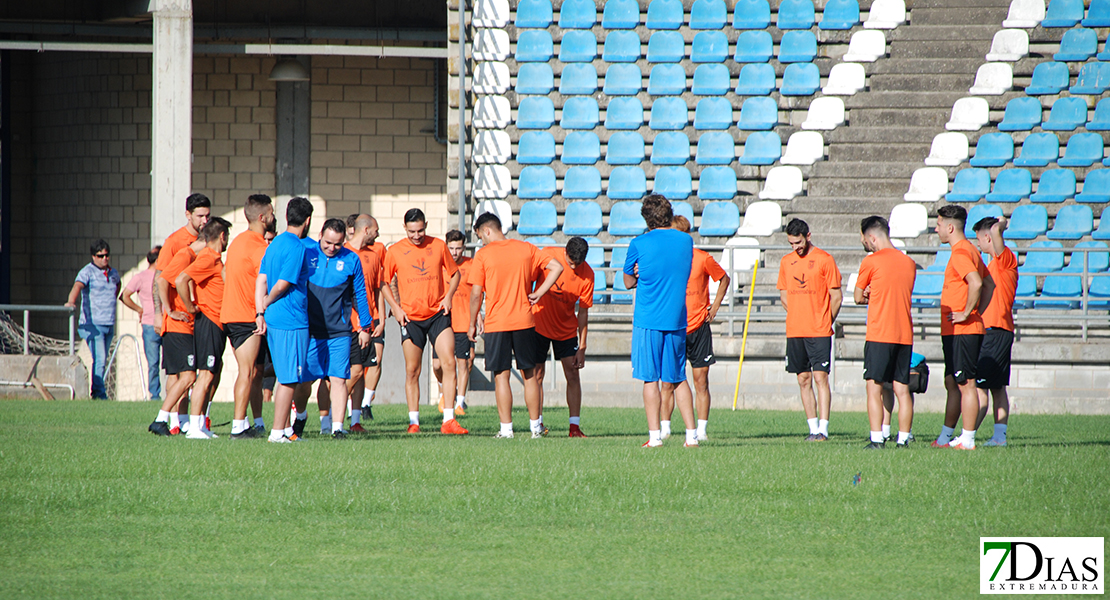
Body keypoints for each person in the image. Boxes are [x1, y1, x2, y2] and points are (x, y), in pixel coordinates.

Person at [468, 212, 562, 439]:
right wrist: (539, 292)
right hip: (524, 321)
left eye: (481, 236)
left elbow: (475, 293)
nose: (481, 241)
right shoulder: (525, 248)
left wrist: (471, 323)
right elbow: (557, 267)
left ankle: (506, 430)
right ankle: (535, 428)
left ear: (487, 231)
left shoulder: (483, 255)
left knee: (501, 376)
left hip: (497, 323)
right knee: (530, 375)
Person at [381, 208, 469, 435]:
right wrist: (396, 308)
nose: (417, 235)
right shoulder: (396, 251)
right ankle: (414, 422)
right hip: (410, 318)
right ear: (404, 228)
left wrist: (448, 297)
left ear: (426, 225)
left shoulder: (439, 246)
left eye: (420, 230)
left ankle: (449, 420)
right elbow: (383, 282)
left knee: (449, 363)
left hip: (438, 315)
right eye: (412, 231)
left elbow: (455, 273)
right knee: (413, 370)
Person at [623, 195, 695, 448]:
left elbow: (628, 281)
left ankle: (655, 438)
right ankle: (692, 436)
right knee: (678, 378)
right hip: (676, 318)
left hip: (648, 318)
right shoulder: (686, 241)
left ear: (647, 218)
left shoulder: (639, 243)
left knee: (650, 379)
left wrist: (642, 274)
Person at [660, 216, 730, 442]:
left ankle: (701, 430)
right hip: (673, 326)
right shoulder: (666, 259)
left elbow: (723, 279)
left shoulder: (702, 258)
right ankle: (665, 428)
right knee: (668, 381)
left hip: (698, 326)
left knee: (701, 380)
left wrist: (715, 307)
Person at [304, 218, 373, 439]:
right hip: (310, 330)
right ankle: (300, 417)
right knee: (304, 379)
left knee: (338, 379)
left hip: (340, 330)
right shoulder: (306, 254)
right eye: (328, 243)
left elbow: (360, 294)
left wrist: (365, 326)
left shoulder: (351, 259)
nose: (332, 248)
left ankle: (337, 428)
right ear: (320, 236)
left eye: (337, 244)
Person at [932, 205, 993, 451]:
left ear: (949, 227)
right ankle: (947, 437)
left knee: (966, 384)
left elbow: (978, 283)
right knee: (953, 382)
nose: (935, 229)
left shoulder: (960, 253)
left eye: (938, 225)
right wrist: (977, 311)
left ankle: (967, 440)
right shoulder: (969, 249)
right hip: (959, 329)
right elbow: (989, 285)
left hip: (963, 330)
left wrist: (968, 312)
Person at [149, 193, 210, 434]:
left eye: (207, 215)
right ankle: (167, 419)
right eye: (199, 216)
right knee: (180, 373)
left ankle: (182, 421)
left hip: (196, 319)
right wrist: (161, 312)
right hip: (178, 319)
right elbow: (160, 278)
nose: (204, 220)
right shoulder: (176, 242)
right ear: (188, 215)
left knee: (186, 373)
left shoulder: (207, 241)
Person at [776, 218, 842, 442]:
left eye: (799, 243)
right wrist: (797, 312)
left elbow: (836, 296)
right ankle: (812, 428)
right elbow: (784, 295)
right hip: (795, 330)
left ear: (808, 236)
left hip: (819, 331)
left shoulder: (824, 260)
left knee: (820, 377)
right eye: (791, 244)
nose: (795, 248)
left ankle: (823, 429)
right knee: (803, 379)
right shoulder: (786, 262)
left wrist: (825, 320)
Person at [855, 216, 917, 449]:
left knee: (874, 386)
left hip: (880, 332)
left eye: (864, 239)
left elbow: (858, 296)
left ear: (872, 237)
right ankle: (902, 440)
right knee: (902, 388)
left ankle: (877, 439)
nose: (865, 244)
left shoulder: (871, 262)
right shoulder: (909, 262)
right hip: (904, 334)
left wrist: (870, 293)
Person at [256, 197, 315, 443]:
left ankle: (287, 430)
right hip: (291, 319)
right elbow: (283, 283)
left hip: (275, 318)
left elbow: (261, 279)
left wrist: (260, 312)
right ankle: (278, 432)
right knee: (290, 379)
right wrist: (268, 301)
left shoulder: (274, 243)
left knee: (284, 376)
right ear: (308, 221)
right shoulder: (297, 247)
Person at [222, 194, 276, 439]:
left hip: (231, 315)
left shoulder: (237, 243)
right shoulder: (258, 247)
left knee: (254, 371)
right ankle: (237, 426)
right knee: (246, 371)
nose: (274, 217)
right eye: (272, 213)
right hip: (246, 316)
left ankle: (256, 422)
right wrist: (259, 313)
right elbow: (265, 284)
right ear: (263, 217)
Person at [532, 236, 594, 437]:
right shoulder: (549, 255)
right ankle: (537, 426)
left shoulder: (588, 276)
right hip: (539, 324)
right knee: (537, 375)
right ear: (565, 252)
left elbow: (583, 313)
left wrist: (582, 346)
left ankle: (574, 428)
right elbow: (528, 277)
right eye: (570, 263)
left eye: (578, 264)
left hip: (566, 330)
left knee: (573, 375)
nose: (574, 267)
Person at [176, 217, 232, 439]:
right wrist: (190, 306)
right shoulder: (208, 257)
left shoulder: (216, 260)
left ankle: (201, 425)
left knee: (212, 374)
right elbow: (182, 279)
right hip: (208, 321)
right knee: (205, 375)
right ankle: (194, 428)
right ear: (222, 236)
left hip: (216, 323)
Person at [974, 216, 1016, 447]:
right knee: (995, 386)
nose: (978, 244)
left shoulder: (1005, 259)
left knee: (981, 386)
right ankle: (998, 436)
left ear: (988, 237)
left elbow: (998, 233)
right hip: (993, 330)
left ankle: (968, 434)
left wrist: (999, 224)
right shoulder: (992, 265)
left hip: (997, 330)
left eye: (980, 239)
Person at [343, 214, 386, 432]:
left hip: (369, 322)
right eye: (376, 229)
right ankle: (333, 410)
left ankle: (355, 420)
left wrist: (380, 319)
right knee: (353, 372)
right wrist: (361, 325)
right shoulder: (343, 253)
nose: (378, 233)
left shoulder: (374, 254)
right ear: (366, 229)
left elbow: (377, 288)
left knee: (363, 371)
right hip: (349, 325)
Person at [65, 239, 121, 399]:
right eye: (100, 255)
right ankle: (98, 393)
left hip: (108, 323)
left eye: (107, 255)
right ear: (93, 256)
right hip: (92, 324)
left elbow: (117, 286)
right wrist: (71, 302)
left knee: (102, 359)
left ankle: (97, 391)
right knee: (101, 358)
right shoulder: (87, 272)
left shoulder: (113, 273)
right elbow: (77, 286)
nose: (104, 258)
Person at [433, 229, 477, 416]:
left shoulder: (472, 264)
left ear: (464, 247)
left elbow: (478, 293)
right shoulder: (441, 265)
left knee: (463, 363)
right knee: (437, 364)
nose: (454, 252)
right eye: (451, 248)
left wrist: (477, 316)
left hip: (463, 320)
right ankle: (444, 391)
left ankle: (460, 403)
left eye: (458, 248)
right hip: (443, 320)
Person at [120, 246, 163, 401]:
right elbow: (124, 296)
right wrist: (139, 309)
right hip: (150, 325)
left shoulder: (166, 275)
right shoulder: (140, 277)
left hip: (168, 324)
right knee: (153, 363)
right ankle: (155, 395)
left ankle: (178, 394)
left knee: (172, 363)